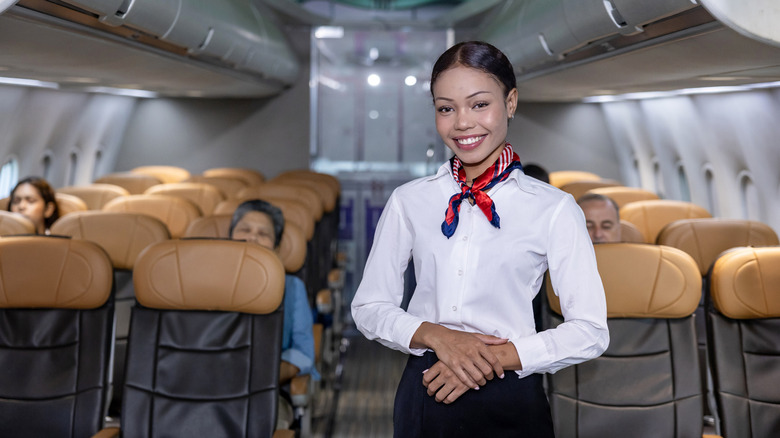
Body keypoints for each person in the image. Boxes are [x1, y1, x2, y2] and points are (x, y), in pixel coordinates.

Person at [351, 41, 609, 437]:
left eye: (479, 104)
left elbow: (590, 330)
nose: (462, 123)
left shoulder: (554, 208)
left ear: (510, 102)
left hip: (512, 386)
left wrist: (493, 358)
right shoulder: (410, 200)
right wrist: (440, 337)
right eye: (445, 108)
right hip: (428, 384)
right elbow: (369, 306)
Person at [229, 199, 319, 428]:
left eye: (263, 233)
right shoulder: (199, 286)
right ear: (229, 237)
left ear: (276, 248)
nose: (251, 238)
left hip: (266, 393)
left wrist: (261, 378)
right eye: (244, 230)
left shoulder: (292, 287)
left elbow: (303, 353)